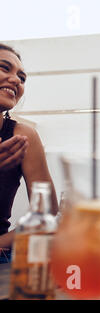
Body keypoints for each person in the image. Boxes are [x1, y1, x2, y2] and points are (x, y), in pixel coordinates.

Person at [0, 44, 58, 263]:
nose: (16, 80)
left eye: (22, 78)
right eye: (4, 68)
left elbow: (45, 212)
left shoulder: (23, 136)